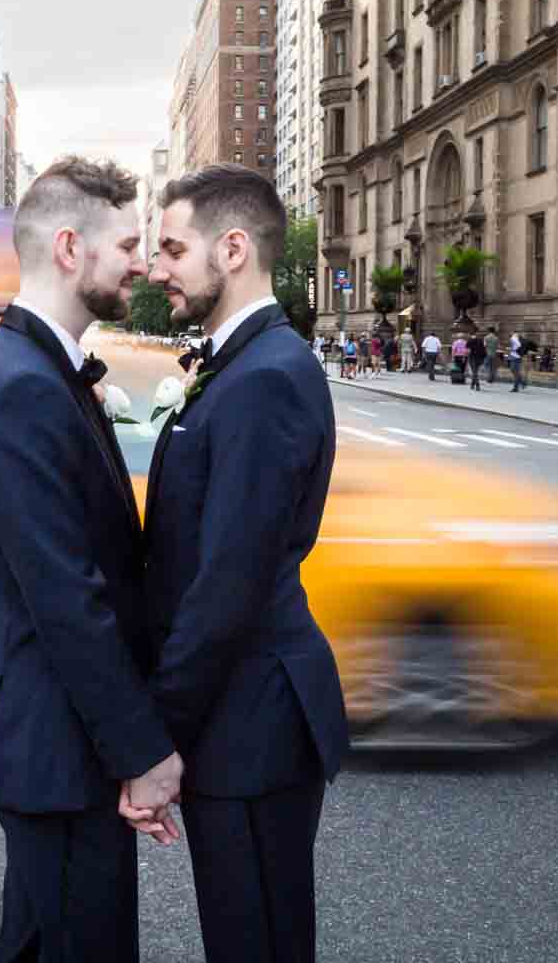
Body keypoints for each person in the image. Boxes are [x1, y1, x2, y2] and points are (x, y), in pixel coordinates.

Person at [0, 158, 184, 963]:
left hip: (62, 741)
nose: (143, 264)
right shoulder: (22, 387)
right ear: (68, 248)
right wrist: (143, 754)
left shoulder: (45, 372)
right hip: (58, 746)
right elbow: (67, 600)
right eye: (126, 244)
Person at [141, 165, 348, 962]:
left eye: (170, 248)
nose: (158, 269)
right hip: (238, 717)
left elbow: (226, 584)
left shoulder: (267, 379)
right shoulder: (238, 366)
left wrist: (158, 741)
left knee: (255, 939)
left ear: (231, 249)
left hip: (251, 724)